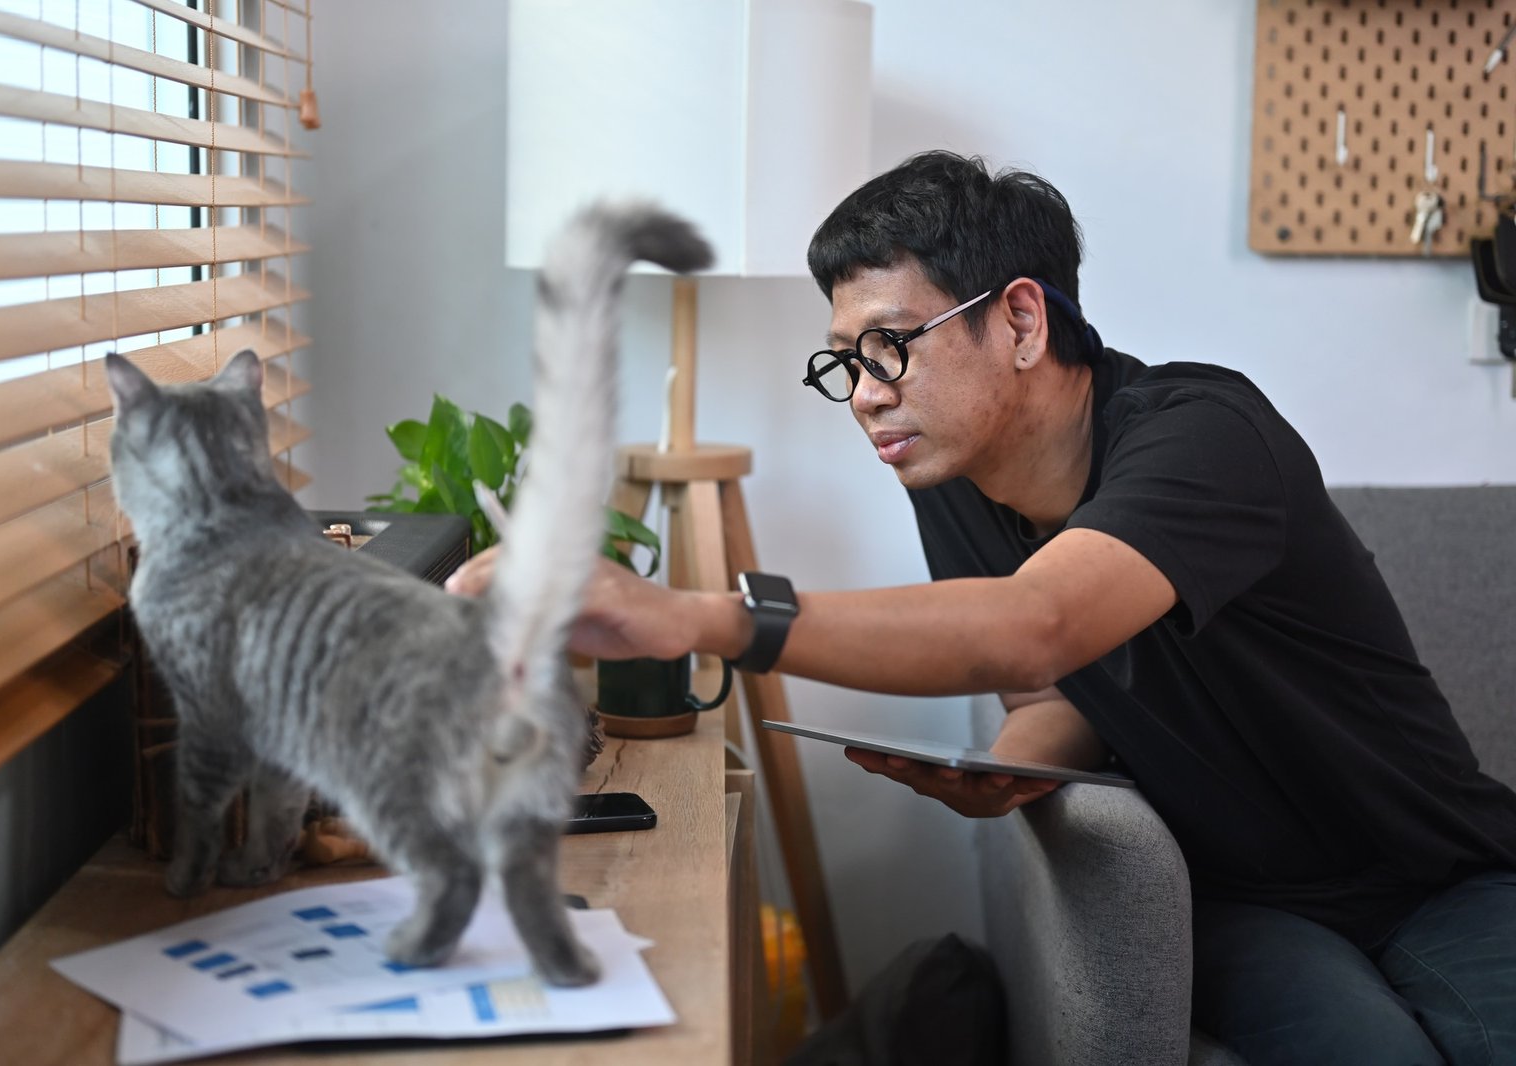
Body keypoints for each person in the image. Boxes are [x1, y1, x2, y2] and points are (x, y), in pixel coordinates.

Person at [448, 150, 1516, 1063]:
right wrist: (1011, 763)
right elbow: (1052, 687)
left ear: (1019, 319)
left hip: (1433, 872)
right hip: (1239, 896)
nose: (865, 393)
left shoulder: (1205, 435)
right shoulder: (955, 477)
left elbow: (1036, 625)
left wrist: (699, 616)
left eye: (890, 346)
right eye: (845, 362)